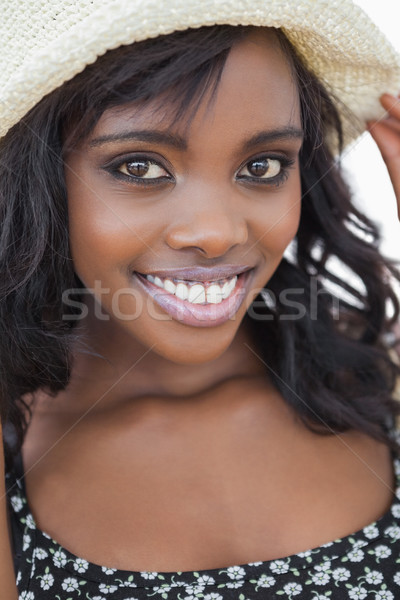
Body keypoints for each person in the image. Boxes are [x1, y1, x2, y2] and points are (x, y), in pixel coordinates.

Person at [2, 0, 400, 598]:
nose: (218, 233)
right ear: (39, 179)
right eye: (140, 166)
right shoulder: (13, 449)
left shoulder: (376, 380)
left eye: (262, 165)